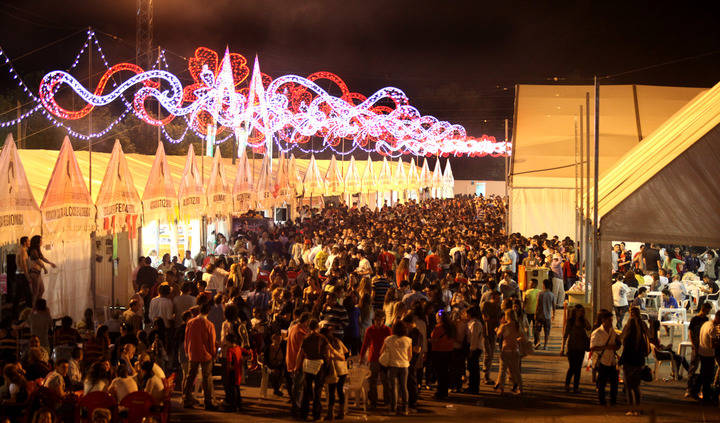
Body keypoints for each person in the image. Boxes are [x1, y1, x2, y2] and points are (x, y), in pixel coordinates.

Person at [183, 301, 217, 410]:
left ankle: (186, 399)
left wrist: (187, 351)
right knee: (206, 378)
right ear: (208, 312)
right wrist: (213, 353)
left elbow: (186, 339)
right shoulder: (209, 325)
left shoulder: (191, 322)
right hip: (205, 354)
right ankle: (208, 402)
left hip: (192, 352)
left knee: (190, 376)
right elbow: (211, 342)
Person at [620, 307, 650, 416]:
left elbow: (622, 338)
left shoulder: (629, 325)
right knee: (636, 386)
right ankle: (638, 408)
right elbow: (649, 337)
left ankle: (632, 409)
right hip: (639, 359)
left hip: (629, 358)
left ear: (631, 314)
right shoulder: (643, 325)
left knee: (628, 386)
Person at [298, 319, 328, 421]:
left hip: (308, 364)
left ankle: (304, 413)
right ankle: (316, 414)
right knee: (317, 391)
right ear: (317, 327)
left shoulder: (306, 338)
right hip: (319, 364)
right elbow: (327, 354)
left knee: (306, 391)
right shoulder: (322, 338)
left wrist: (297, 366)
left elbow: (301, 353)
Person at [359, 310, 391, 409]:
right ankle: (373, 401)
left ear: (384, 320)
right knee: (372, 380)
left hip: (384, 359)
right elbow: (365, 344)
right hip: (373, 358)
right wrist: (362, 357)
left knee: (385, 381)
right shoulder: (370, 330)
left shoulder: (388, 330)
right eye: (377, 320)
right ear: (374, 320)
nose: (379, 322)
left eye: (381, 320)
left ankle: (387, 401)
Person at [380, 321, 412, 415]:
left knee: (393, 387)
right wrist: (405, 361)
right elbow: (410, 355)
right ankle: (405, 408)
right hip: (404, 366)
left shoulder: (388, 339)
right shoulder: (408, 340)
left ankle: (393, 408)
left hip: (393, 365)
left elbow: (381, 352)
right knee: (404, 387)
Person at [590, 309, 621, 406]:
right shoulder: (597, 332)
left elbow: (617, 344)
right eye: (609, 320)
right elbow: (592, 347)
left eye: (612, 320)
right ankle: (602, 401)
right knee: (602, 383)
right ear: (603, 320)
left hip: (612, 361)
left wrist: (616, 347)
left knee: (614, 383)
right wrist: (607, 347)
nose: (611, 322)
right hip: (602, 361)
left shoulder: (612, 331)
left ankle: (613, 400)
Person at [495, 309, 524, 395]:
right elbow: (521, 336)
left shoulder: (504, 326)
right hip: (515, 350)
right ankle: (521, 388)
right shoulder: (517, 326)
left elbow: (498, 335)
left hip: (505, 349)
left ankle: (501, 388)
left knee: (502, 370)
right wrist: (515, 340)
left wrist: (497, 328)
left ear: (507, 316)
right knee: (516, 371)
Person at [323, 325, 349, 420]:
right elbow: (346, 351)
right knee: (340, 391)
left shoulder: (327, 344)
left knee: (331, 392)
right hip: (343, 370)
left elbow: (329, 357)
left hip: (334, 370)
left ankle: (330, 414)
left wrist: (333, 355)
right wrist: (340, 354)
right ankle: (341, 413)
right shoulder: (338, 341)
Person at [562, 304, 590, 393]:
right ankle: (567, 385)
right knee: (572, 367)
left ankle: (576, 387)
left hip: (581, 347)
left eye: (582, 311)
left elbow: (589, 328)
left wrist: (584, 318)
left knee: (578, 369)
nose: (581, 313)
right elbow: (565, 335)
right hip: (572, 347)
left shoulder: (583, 321)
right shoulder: (570, 321)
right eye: (579, 311)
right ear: (575, 311)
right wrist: (562, 348)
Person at [429, 311, 455, 399]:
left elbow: (433, 339)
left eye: (437, 317)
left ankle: (440, 392)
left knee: (440, 373)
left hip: (438, 352)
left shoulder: (438, 328)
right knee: (445, 373)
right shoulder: (451, 327)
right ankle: (444, 391)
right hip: (448, 351)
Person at [480, 281, 502, 384]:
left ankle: (486, 375)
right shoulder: (486, 305)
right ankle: (485, 376)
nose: (499, 300)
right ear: (494, 297)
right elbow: (483, 316)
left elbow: (498, 320)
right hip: (486, 332)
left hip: (493, 333)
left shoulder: (498, 308)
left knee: (491, 354)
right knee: (488, 354)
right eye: (498, 298)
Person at [224, 333, 251, 412]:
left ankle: (233, 406)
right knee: (237, 388)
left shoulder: (230, 350)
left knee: (232, 389)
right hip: (238, 372)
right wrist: (243, 360)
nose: (226, 343)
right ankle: (239, 405)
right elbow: (249, 353)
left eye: (227, 341)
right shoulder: (239, 348)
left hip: (232, 372)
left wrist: (229, 368)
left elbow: (229, 362)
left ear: (230, 341)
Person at [697, 310, 719, 405]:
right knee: (708, 376)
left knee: (703, 374)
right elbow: (713, 344)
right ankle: (706, 397)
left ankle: (702, 393)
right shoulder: (712, 328)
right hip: (708, 354)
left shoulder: (706, 323)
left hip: (702, 351)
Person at [27, 235, 56, 303]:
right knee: (36, 292)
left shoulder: (37, 250)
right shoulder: (33, 251)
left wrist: (50, 263)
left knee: (41, 290)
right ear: (37, 242)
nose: (41, 242)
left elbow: (42, 258)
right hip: (34, 273)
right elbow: (38, 261)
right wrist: (44, 268)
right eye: (40, 240)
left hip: (37, 273)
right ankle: (34, 308)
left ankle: (37, 305)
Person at [465, 305, 484, 394]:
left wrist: (471, 350)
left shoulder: (475, 324)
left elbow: (474, 338)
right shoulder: (472, 323)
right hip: (474, 347)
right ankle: (472, 386)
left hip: (475, 348)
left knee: (474, 368)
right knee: (472, 368)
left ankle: (474, 387)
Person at [534, 279, 555, 350]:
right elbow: (554, 306)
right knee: (547, 331)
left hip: (540, 315)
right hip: (547, 316)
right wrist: (553, 314)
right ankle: (545, 345)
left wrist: (535, 313)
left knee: (537, 329)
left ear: (544, 285)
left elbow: (537, 305)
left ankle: (539, 341)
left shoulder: (540, 294)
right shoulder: (552, 294)